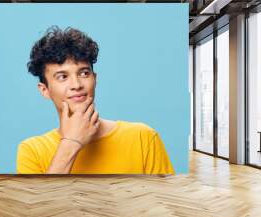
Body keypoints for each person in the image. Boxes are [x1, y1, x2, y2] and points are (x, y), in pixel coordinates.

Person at [16, 26, 174, 174]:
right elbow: (42, 203)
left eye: (84, 73)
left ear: (95, 79)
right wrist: (71, 142)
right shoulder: (32, 150)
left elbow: (165, 200)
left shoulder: (143, 137)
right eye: (62, 77)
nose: (76, 85)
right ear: (45, 90)